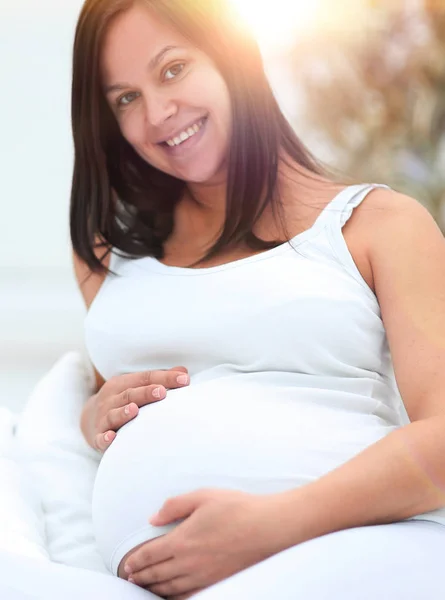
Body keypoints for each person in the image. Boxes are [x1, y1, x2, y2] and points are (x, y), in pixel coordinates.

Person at [3, 0, 444, 599]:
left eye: (173, 69)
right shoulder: (110, 252)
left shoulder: (381, 226)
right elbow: (116, 397)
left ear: (233, 56)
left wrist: (271, 526)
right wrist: (93, 416)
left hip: (348, 550)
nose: (158, 114)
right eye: (125, 98)